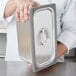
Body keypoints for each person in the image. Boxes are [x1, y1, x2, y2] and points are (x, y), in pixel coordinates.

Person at [0, 0, 76, 62]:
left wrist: (49, 57)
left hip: (52, 65)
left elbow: (72, 30)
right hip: (14, 63)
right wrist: (15, 2)